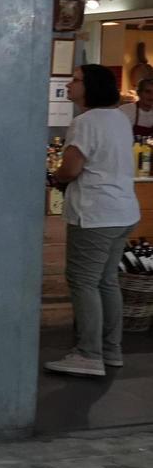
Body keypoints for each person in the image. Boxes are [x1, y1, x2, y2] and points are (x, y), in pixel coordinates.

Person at [48, 63, 141, 377]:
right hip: (123, 210)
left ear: (92, 87)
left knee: (83, 281)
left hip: (96, 213)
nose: (70, 85)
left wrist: (55, 177)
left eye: (76, 80)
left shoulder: (86, 122)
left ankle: (88, 354)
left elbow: (71, 168)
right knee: (106, 282)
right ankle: (110, 350)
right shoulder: (119, 118)